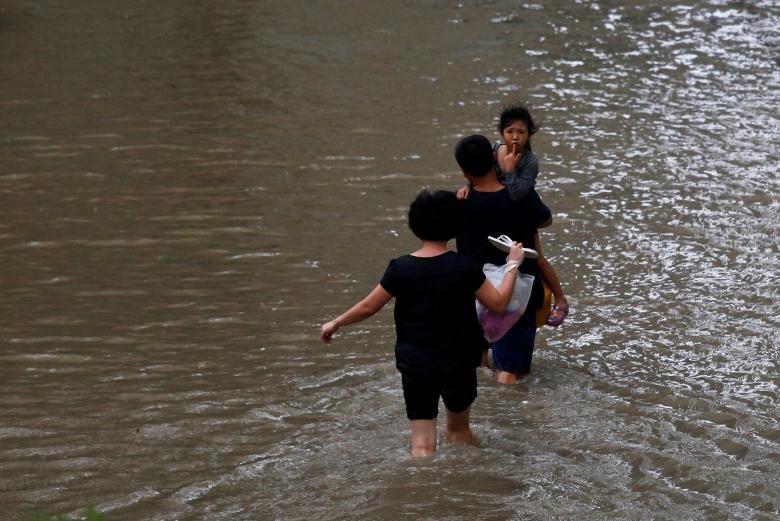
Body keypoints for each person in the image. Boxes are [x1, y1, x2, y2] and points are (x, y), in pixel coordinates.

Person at [320, 189, 527, 457]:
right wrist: (512, 265)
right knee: (459, 431)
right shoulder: (464, 267)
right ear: (455, 226)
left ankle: (422, 493)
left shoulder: (400, 268)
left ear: (414, 226)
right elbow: (498, 303)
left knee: (421, 444)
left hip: (416, 362)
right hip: (458, 360)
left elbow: (369, 306)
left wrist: (335, 323)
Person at [454, 134, 558, 384]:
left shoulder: (458, 202)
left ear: (463, 170)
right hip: (517, 294)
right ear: (494, 159)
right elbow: (545, 219)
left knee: (476, 364)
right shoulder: (521, 197)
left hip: (474, 294)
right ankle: (506, 419)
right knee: (511, 371)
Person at [457, 104, 569, 326]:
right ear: (501, 133)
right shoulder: (497, 150)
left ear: (529, 135)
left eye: (521, 132)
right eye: (510, 132)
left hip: (522, 200)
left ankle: (561, 299)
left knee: (538, 258)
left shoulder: (529, 162)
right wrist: (467, 185)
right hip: (507, 212)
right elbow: (479, 172)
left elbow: (518, 193)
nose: (515, 137)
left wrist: (509, 170)